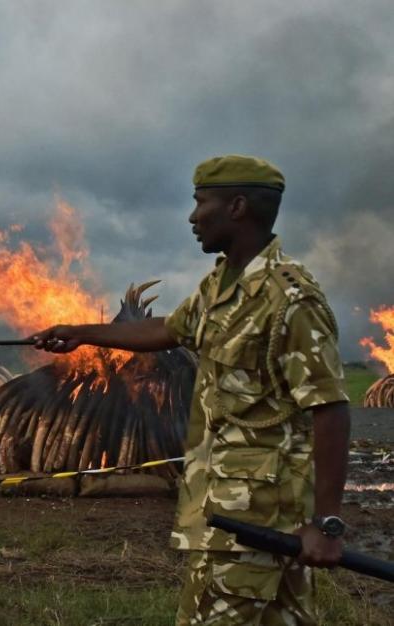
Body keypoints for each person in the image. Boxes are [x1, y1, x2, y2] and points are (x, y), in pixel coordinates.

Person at [30, 154, 351, 625]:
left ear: (237, 207)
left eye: (201, 203)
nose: (192, 216)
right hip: (227, 511)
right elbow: (167, 330)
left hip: (258, 521)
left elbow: (331, 408)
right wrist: (79, 332)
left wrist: (327, 524)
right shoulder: (221, 284)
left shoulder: (291, 299)